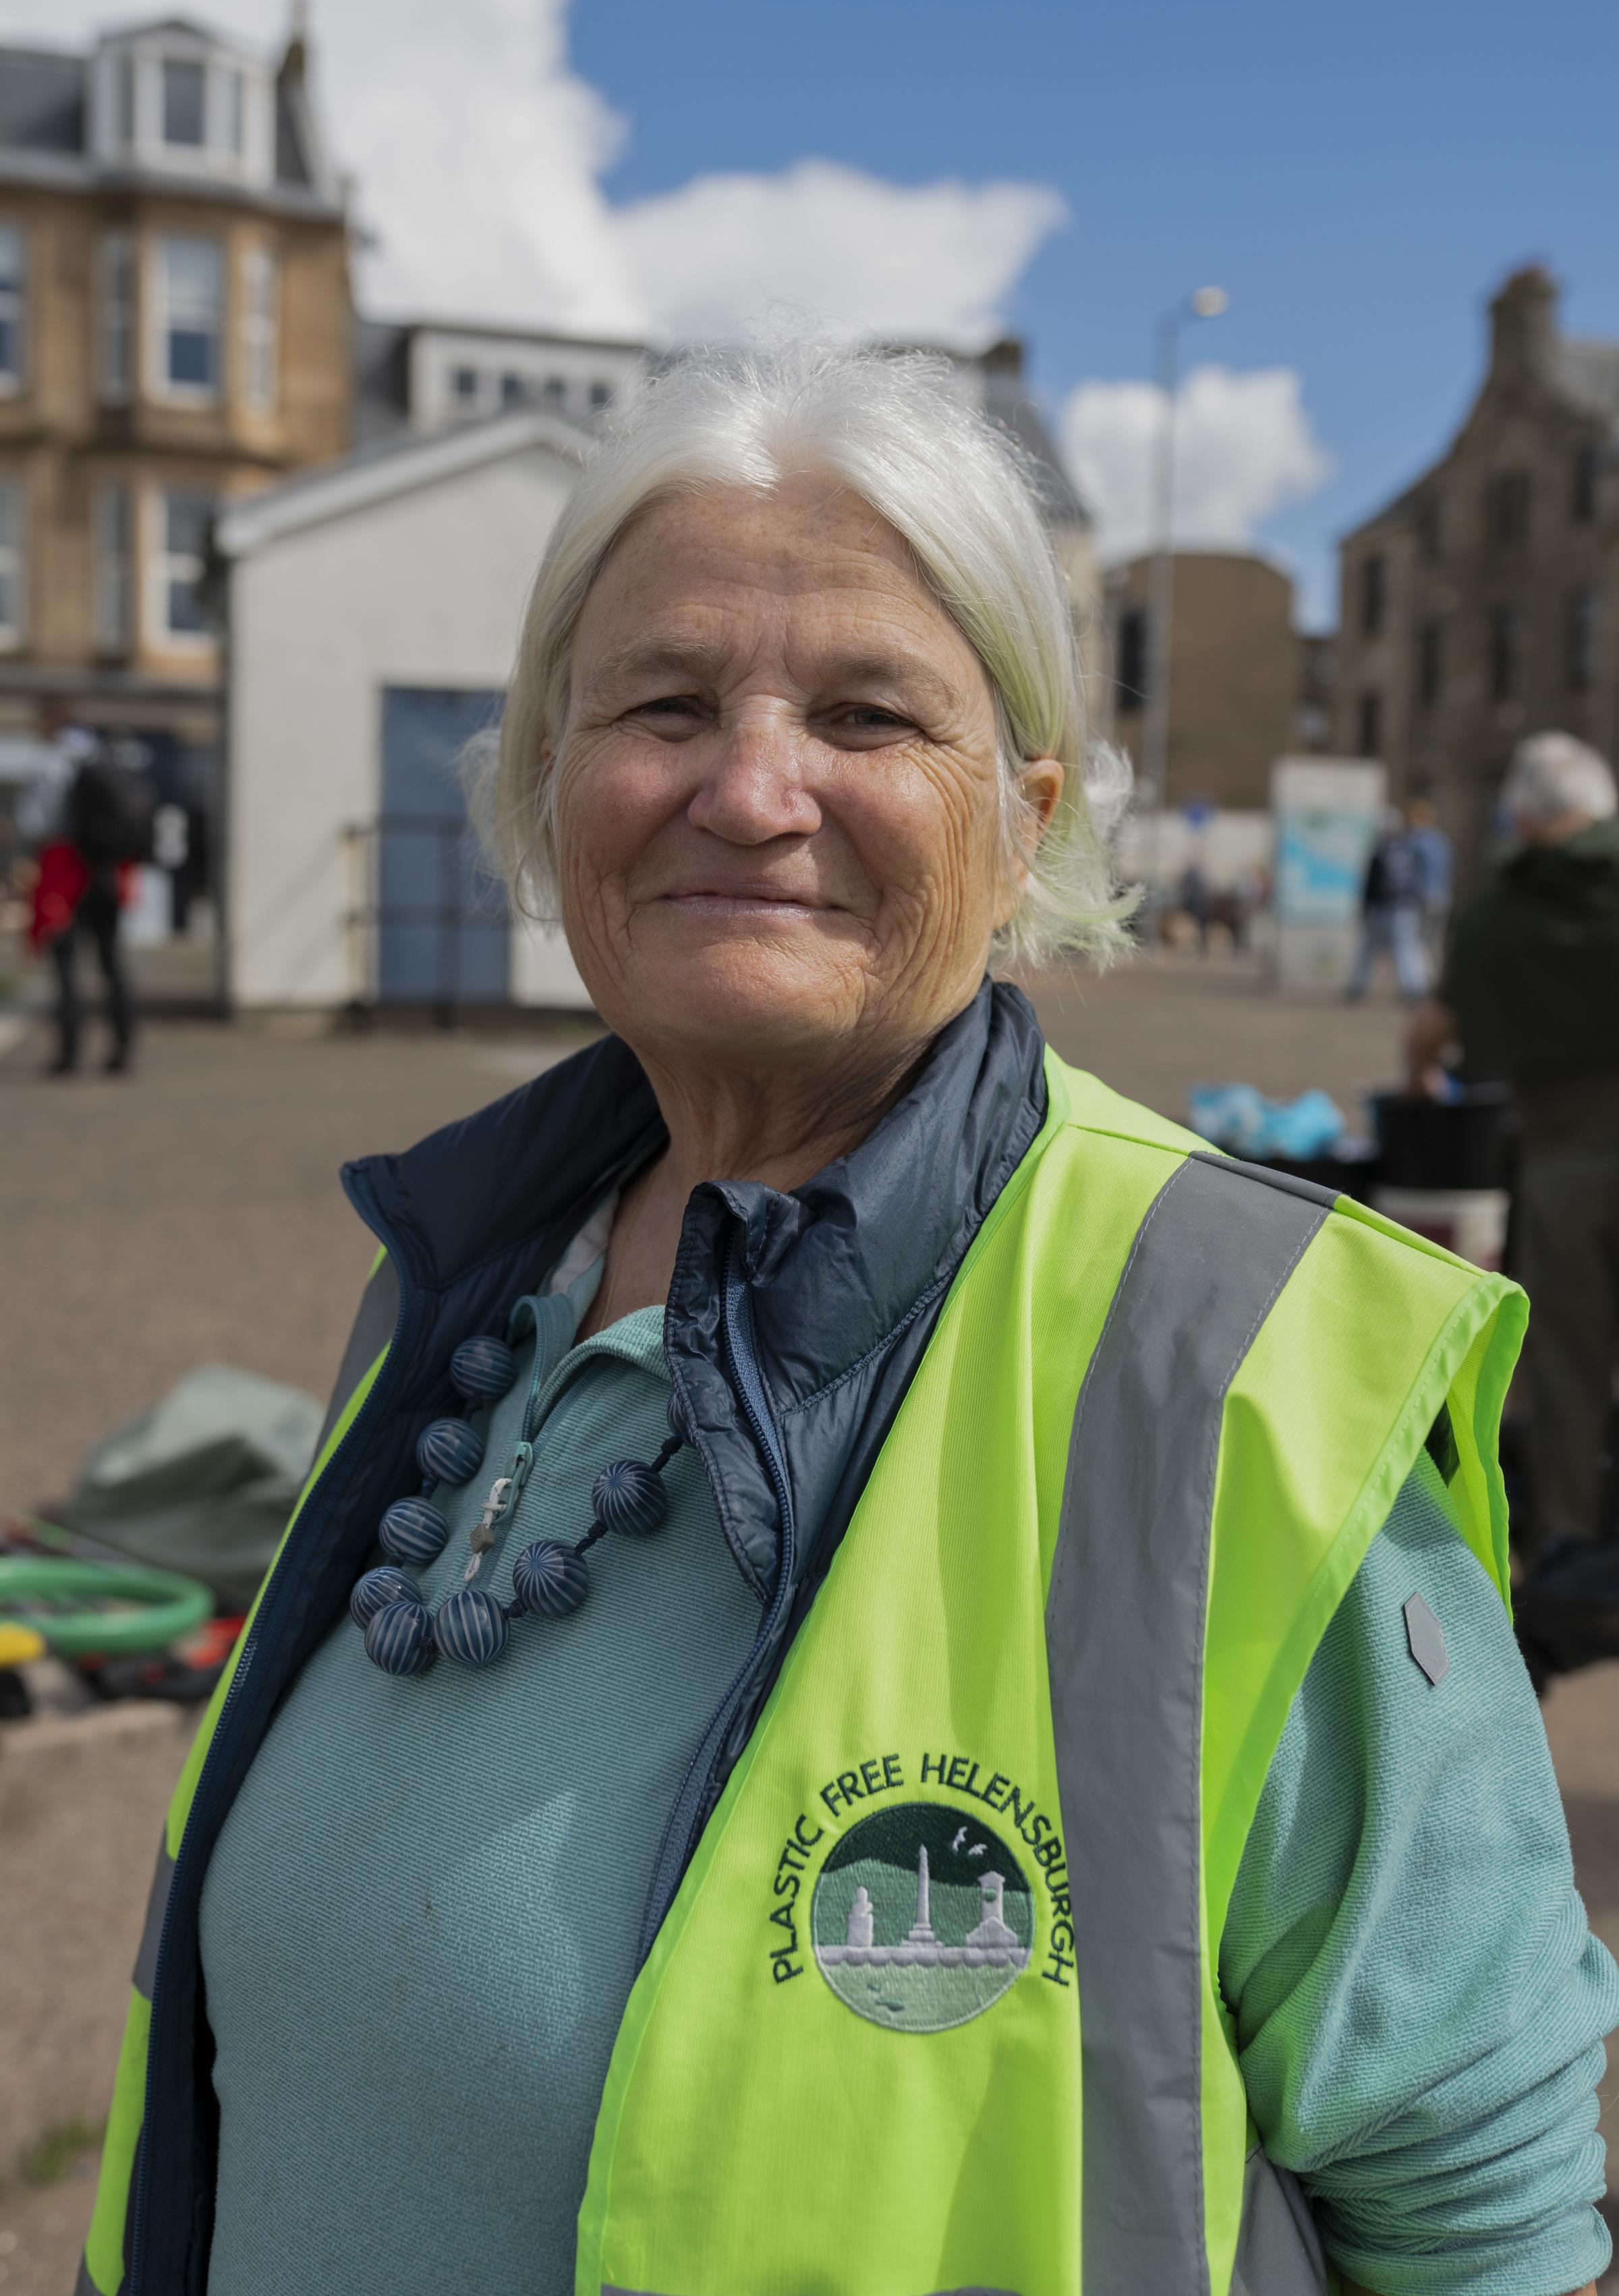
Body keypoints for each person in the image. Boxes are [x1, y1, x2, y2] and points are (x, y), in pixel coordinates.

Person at [85, 346, 1614, 2296]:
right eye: (662, 702)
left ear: (1025, 819)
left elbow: (1483, 2216)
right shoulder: (457, 1273)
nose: (749, 787)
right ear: (550, 785)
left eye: (869, 713)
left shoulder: (1224, 1370)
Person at [1409, 733, 1619, 1563]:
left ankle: (1569, 1537)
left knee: (1567, 1366)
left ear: (1524, 820)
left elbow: (1430, 1034)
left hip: (1561, 1161)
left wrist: (1422, 1075)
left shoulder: (1494, 914)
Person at [16, 703, 138, 1075]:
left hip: (67, 873)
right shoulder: (110, 756)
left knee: (67, 966)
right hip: (108, 873)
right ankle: (123, 1050)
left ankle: (69, 1055)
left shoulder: (52, 762)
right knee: (112, 961)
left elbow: (34, 822)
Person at [1345, 807, 1428, 1001]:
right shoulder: (1409, 850)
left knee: (1367, 949)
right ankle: (1413, 987)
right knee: (1407, 946)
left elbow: (1370, 885)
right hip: (1408, 907)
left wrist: (1364, 909)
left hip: (1383, 908)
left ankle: (1357, 986)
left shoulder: (1380, 853)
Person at [1405, 795, 1454, 970]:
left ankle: (1419, 982)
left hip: (1422, 897)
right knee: (1435, 941)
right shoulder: (1442, 841)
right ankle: (1438, 978)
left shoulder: (1415, 841)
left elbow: (1408, 871)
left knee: (1417, 940)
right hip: (1443, 896)